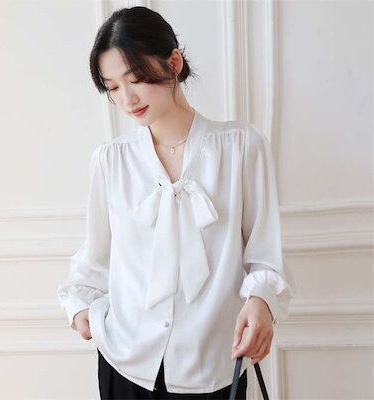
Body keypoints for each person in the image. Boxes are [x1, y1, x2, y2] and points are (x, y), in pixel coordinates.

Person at [56, 5, 294, 400]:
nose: (127, 99)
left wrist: (261, 302)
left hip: (212, 365)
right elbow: (95, 258)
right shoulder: (111, 161)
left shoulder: (241, 148)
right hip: (125, 363)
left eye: (136, 79)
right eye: (113, 88)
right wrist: (81, 309)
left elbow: (266, 254)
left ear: (174, 63)